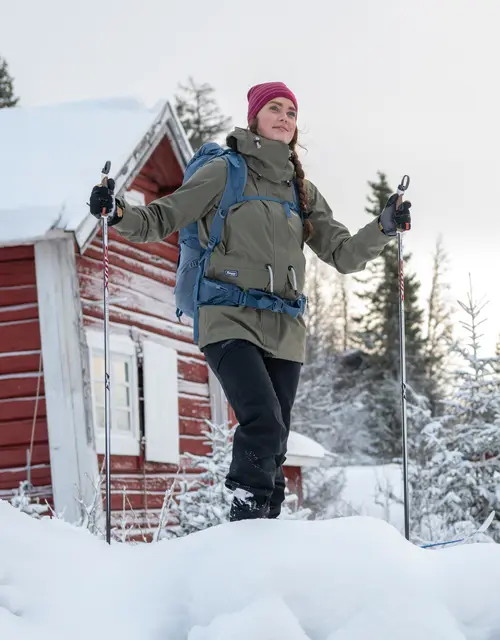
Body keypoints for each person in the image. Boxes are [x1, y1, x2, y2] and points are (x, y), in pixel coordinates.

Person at [89, 81, 412, 522]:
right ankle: (245, 520)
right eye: (274, 108)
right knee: (262, 420)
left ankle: (266, 532)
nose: (284, 117)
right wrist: (120, 212)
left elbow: (343, 254)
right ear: (254, 117)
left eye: (291, 112)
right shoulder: (225, 172)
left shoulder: (302, 191)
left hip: (284, 328)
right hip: (228, 317)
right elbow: (164, 216)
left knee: (276, 439)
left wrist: (384, 226)